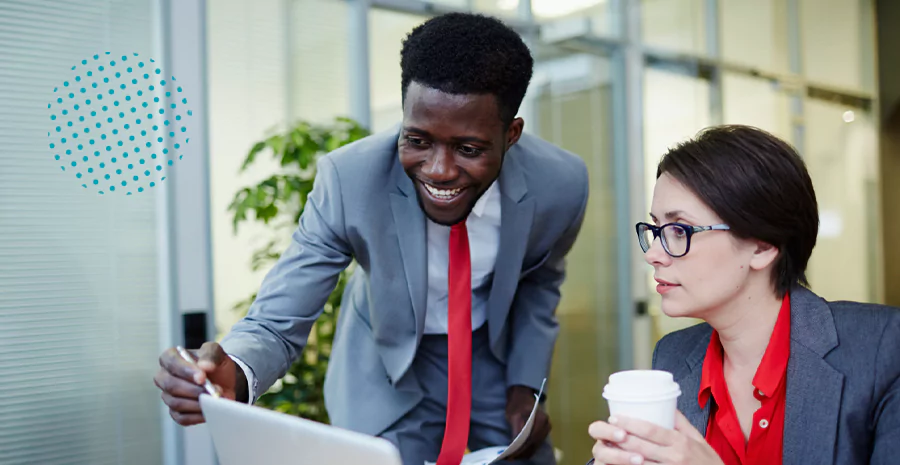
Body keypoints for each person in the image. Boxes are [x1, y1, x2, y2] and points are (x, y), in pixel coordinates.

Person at [154, 12, 589, 465]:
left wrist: (525, 383)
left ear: (511, 134)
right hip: (384, 363)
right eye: (417, 139)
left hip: (491, 361)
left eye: (469, 149)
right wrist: (236, 371)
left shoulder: (560, 185)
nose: (439, 170)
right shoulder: (349, 180)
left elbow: (540, 283)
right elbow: (278, 317)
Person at [587, 125, 900, 465]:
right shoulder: (673, 357)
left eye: (679, 230)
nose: (653, 254)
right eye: (656, 230)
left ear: (762, 247)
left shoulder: (881, 350)